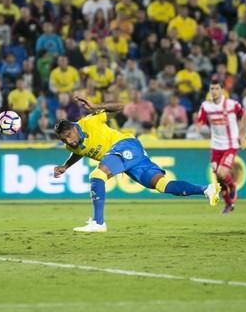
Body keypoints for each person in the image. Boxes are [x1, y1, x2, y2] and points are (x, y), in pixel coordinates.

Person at [53, 94, 220, 233]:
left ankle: (98, 222)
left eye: (69, 135)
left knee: (97, 175)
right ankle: (206, 189)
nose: (69, 141)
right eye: (64, 139)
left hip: (125, 145)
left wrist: (96, 106)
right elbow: (78, 152)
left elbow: (120, 106)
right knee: (162, 185)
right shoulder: (71, 145)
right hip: (130, 156)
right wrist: (65, 166)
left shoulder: (89, 122)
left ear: (74, 127)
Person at [195, 81, 246, 214]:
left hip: (230, 144)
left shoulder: (232, 104)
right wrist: (198, 128)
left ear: (222, 90)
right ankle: (228, 204)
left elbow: (244, 115)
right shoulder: (206, 106)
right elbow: (200, 121)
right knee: (218, 177)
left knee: (222, 173)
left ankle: (233, 186)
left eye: (216, 88)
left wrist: (242, 135)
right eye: (211, 88)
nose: (213, 91)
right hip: (215, 146)